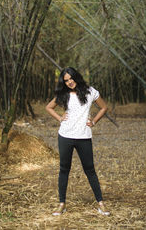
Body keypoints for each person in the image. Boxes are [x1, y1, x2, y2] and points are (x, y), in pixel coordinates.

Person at [46, 67, 110, 216]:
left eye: (71, 79)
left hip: (84, 136)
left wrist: (93, 121)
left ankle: (101, 203)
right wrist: (60, 118)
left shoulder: (90, 91)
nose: (69, 82)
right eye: (66, 80)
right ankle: (62, 204)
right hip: (65, 136)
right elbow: (49, 107)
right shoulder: (63, 94)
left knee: (90, 170)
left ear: (76, 77)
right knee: (64, 169)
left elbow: (104, 107)